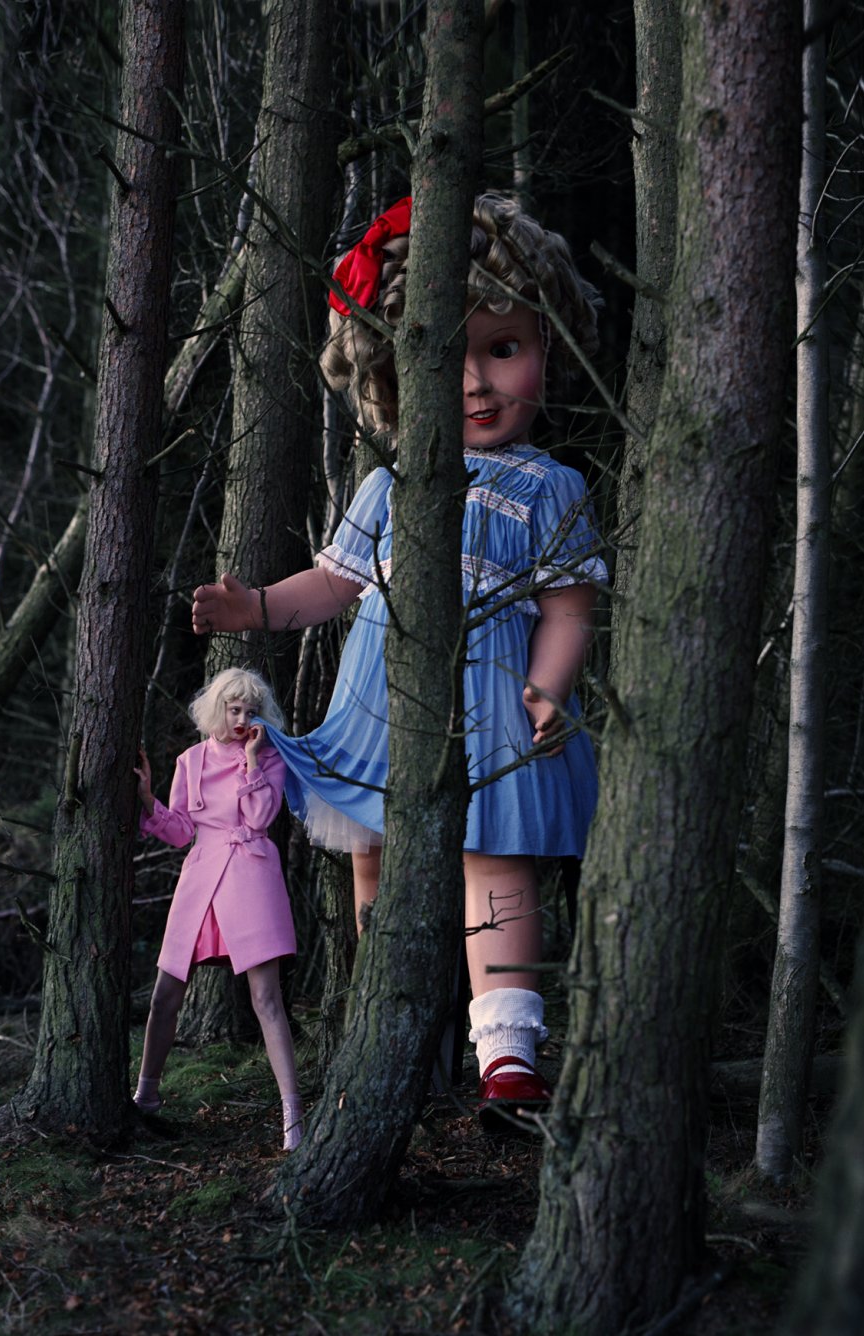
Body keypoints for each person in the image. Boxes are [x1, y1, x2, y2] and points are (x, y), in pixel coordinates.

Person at [190, 193, 606, 1124]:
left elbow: (569, 605)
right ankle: (389, 1022)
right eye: (447, 362)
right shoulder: (390, 484)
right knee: (374, 854)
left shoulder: (551, 486)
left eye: (504, 348)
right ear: (392, 378)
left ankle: (507, 1049)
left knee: (497, 863)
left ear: (549, 345)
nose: (478, 384)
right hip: (381, 702)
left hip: (493, 703)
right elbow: (334, 584)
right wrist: (256, 607)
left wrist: (549, 687)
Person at [131, 667, 303, 1150]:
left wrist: (251, 761)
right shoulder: (190, 760)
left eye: (251, 711)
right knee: (165, 995)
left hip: (251, 877)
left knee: (266, 999)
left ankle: (293, 1116)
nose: (242, 719)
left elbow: (261, 817)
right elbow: (181, 831)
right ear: (216, 710)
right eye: (234, 709)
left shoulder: (269, 756)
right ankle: (145, 1096)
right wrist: (147, 799)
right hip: (201, 879)